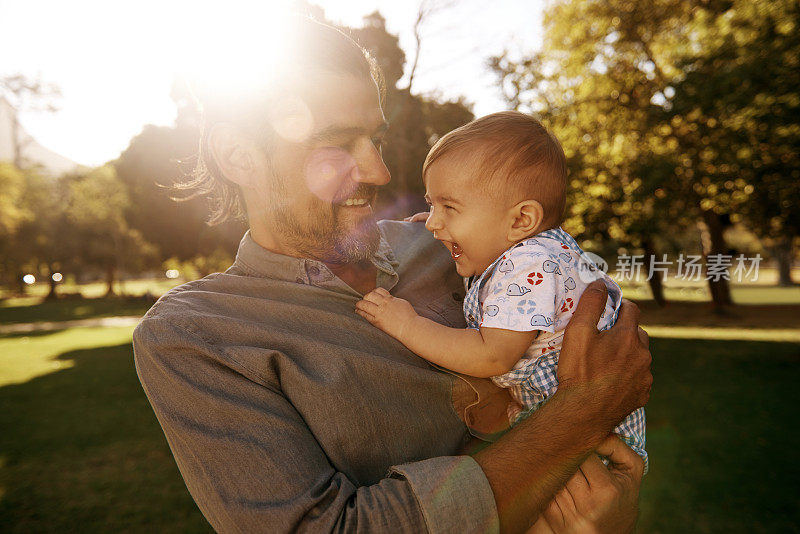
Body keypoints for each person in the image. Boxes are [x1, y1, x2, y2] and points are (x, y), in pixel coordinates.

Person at [132, 17, 652, 533]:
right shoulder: (197, 335)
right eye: (338, 143)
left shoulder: (445, 245)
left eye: (374, 140)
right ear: (238, 155)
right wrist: (574, 421)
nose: (379, 171)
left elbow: (589, 330)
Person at [356, 112, 647, 472]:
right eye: (432, 205)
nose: (432, 221)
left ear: (521, 220)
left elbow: (492, 356)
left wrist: (405, 325)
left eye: (450, 207)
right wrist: (446, 225)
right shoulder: (533, 248)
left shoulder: (529, 266)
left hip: (588, 447)